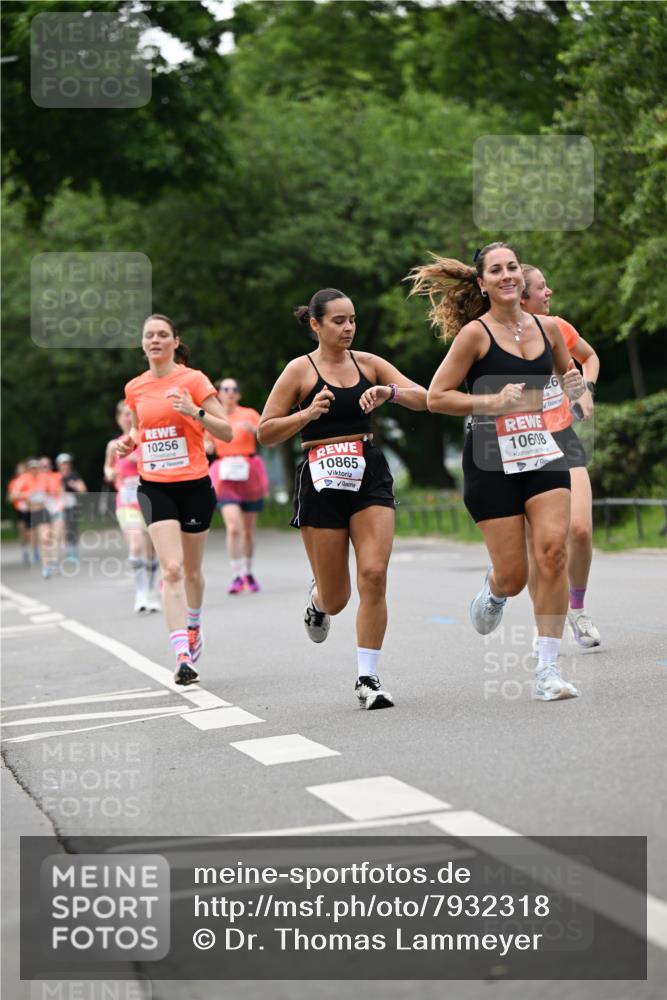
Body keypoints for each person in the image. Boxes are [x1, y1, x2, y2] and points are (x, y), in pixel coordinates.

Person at [410, 243, 586, 702]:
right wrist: (492, 402)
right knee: (515, 575)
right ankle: (494, 590)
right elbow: (436, 397)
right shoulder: (475, 335)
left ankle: (547, 669)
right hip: (491, 457)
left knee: (552, 552)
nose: (507, 275)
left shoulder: (548, 329)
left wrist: (573, 386)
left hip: (545, 449)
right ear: (483, 282)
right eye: (496, 270)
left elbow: (568, 376)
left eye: (512, 267)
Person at [258, 287, 428, 710]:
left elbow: (426, 399)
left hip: (368, 472)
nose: (348, 327)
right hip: (319, 478)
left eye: (352, 319)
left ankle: (367, 678)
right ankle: (318, 600)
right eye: (338, 320)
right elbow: (264, 431)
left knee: (373, 574)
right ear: (315, 324)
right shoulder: (299, 370)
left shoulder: (369, 363)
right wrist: (306, 414)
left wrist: (389, 393)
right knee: (338, 597)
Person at [117, 314, 232, 685]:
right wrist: (129, 442)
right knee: (171, 569)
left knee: (193, 572)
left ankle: (194, 624)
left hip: (195, 484)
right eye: (149, 335)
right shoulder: (134, 388)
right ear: (143, 343)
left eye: (162, 335)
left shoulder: (193, 380)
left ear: (174, 341)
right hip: (155, 486)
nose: (155, 340)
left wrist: (194, 412)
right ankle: (182, 654)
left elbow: (226, 430)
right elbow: (138, 427)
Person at [521, 264, 601, 648]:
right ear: (522, 297)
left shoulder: (560, 329)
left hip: (561, 436)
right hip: (523, 444)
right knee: (542, 547)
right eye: (541, 288)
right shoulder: (504, 339)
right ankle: (544, 631)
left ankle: (578, 607)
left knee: (580, 530)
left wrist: (585, 389)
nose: (548, 292)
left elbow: (590, 357)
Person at [207, 378, 269, 594]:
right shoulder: (213, 417)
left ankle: (248, 572)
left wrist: (253, 430)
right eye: (226, 389)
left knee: (248, 531)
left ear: (239, 395)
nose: (230, 392)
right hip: (224, 474)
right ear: (218, 394)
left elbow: (267, 435)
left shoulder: (249, 413)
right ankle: (236, 575)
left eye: (235, 389)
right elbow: (206, 445)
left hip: (248, 471)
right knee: (234, 528)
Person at [104, 401, 160, 613]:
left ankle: (153, 591)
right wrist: (110, 473)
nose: (128, 418)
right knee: (136, 545)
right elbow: (108, 468)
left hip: (150, 499)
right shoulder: (114, 445)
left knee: (152, 550)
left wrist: (140, 458)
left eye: (132, 414)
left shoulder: (147, 440)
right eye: (125, 414)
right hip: (126, 501)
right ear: (119, 418)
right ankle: (141, 593)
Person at [8, 459, 59, 577]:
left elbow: (53, 491)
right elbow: (12, 496)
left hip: (43, 510)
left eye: (36, 467)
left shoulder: (44, 478)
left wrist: (48, 495)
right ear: (29, 469)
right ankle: (40, 559)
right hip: (31, 512)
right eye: (32, 468)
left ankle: (47, 564)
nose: (35, 470)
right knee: (34, 537)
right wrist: (27, 494)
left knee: (45, 537)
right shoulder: (23, 479)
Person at [54, 453, 87, 561]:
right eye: (63, 463)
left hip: (71, 504)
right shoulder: (55, 477)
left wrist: (74, 485)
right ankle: (64, 551)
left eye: (67, 463)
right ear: (58, 465)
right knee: (61, 528)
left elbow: (83, 490)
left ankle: (73, 550)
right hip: (57, 506)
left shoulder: (74, 476)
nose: (65, 466)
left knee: (71, 527)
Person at [7, 461, 32, 565]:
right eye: (19, 469)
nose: (21, 471)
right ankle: (25, 550)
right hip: (20, 510)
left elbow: (33, 494)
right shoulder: (13, 483)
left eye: (22, 469)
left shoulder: (30, 480)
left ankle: (33, 551)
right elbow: (10, 497)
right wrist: (19, 495)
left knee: (30, 533)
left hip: (30, 510)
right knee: (22, 531)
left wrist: (20, 495)